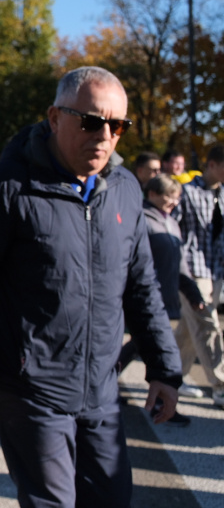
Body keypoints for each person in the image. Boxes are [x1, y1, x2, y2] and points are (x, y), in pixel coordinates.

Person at [0, 66, 182, 507]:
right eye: (91, 121)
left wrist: (164, 369)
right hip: (32, 389)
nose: (105, 135)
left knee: (111, 499)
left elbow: (142, 285)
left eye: (118, 125)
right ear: (54, 118)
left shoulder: (126, 189)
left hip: (101, 391)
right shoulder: (7, 188)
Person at [118, 174, 205, 423]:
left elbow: (180, 265)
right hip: (144, 299)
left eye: (176, 197)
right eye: (168, 195)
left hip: (166, 300)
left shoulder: (171, 223)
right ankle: (161, 403)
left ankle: (160, 401)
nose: (173, 202)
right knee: (151, 348)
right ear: (152, 194)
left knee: (146, 347)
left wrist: (193, 293)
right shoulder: (141, 220)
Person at [176, 144, 224, 409]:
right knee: (208, 325)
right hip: (193, 268)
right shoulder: (187, 192)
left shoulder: (223, 194)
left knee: (189, 328)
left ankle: (172, 374)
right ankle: (221, 385)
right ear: (212, 165)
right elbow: (172, 227)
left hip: (216, 268)